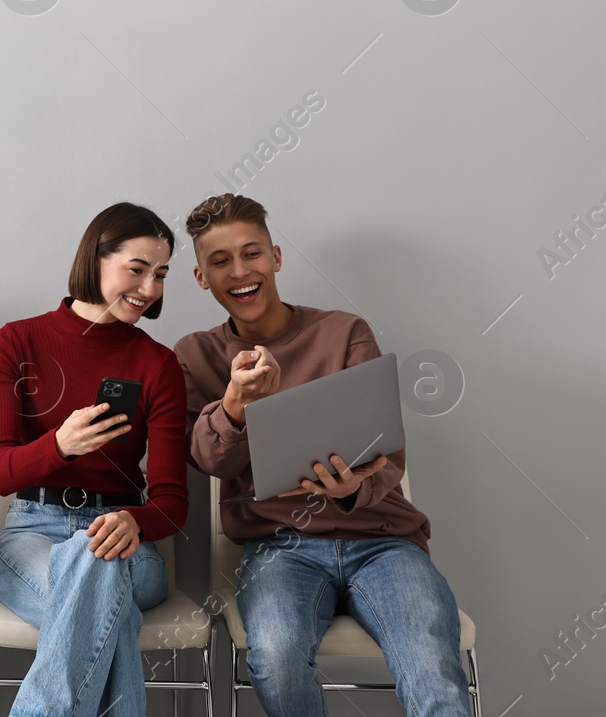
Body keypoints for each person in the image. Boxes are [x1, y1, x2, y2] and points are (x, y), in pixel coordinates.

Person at [176, 193, 470, 716]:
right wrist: (235, 404)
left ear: (277, 258)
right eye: (220, 261)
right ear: (201, 277)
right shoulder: (196, 355)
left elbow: (388, 453)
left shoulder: (344, 332)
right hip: (278, 548)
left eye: (252, 253)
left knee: (432, 667)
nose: (241, 271)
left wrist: (353, 488)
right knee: (277, 655)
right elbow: (207, 462)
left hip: (382, 542)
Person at [0, 202, 188, 717]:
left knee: (90, 558)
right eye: (137, 270)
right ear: (94, 259)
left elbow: (171, 503)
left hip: (124, 537)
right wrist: (59, 445)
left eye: (160, 275)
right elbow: (1, 473)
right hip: (32, 529)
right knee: (105, 610)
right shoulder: (15, 341)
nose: (149, 290)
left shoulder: (158, 364)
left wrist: (131, 519)